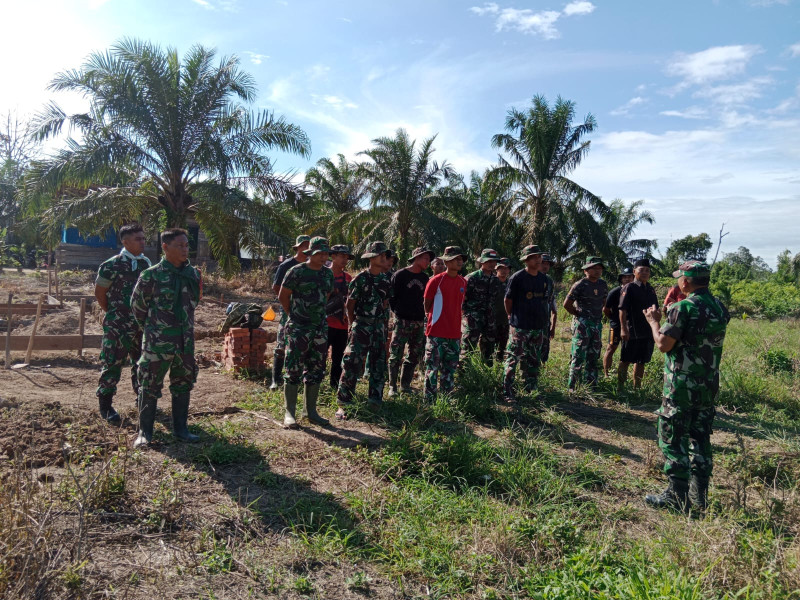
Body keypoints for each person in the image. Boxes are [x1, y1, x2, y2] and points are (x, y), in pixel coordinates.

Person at [643, 261, 729, 513]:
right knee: (700, 436)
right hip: (708, 383)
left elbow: (663, 344)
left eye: (680, 277)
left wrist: (653, 322)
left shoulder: (683, 307)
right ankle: (699, 495)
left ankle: (676, 496)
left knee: (673, 436)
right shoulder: (719, 307)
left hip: (681, 384)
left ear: (686, 281)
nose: (679, 281)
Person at [131, 228, 202, 448]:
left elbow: (194, 302)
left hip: (185, 343)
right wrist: (153, 329)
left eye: (187, 245)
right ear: (165, 247)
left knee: (183, 384)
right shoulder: (151, 275)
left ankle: (181, 430)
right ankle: (145, 432)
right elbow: (138, 307)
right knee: (149, 386)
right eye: (179, 245)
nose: (185, 249)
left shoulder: (193, 275)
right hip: (157, 343)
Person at [94, 224, 151, 423]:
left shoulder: (145, 264)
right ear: (125, 242)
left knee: (141, 363)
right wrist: (114, 313)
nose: (143, 242)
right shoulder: (111, 265)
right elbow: (100, 293)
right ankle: (106, 406)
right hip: (117, 325)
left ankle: (142, 400)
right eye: (138, 239)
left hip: (140, 324)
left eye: (143, 238)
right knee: (112, 363)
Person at [279, 237, 335, 429]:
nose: (324, 257)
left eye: (326, 254)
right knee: (293, 367)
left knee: (316, 368)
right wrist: (293, 315)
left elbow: (326, 296)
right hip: (298, 327)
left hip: (319, 328)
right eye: (320, 253)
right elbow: (283, 295)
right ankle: (289, 413)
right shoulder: (296, 271)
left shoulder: (327, 274)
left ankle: (310, 412)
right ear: (310, 253)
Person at [336, 242, 392, 419]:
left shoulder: (386, 280)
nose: (383, 258)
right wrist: (353, 325)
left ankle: (375, 401)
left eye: (384, 255)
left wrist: (384, 328)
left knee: (378, 363)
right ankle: (344, 403)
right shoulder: (360, 279)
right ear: (371, 258)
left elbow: (385, 304)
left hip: (379, 327)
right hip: (361, 325)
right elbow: (350, 305)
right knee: (352, 363)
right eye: (380, 255)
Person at [503, 245, 550, 403]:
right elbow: (507, 300)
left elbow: (544, 301)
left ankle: (531, 388)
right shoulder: (517, 277)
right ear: (526, 260)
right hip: (520, 326)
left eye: (539, 257)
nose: (538, 260)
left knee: (533, 360)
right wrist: (512, 316)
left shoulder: (544, 279)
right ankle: (507, 391)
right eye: (534, 257)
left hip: (537, 326)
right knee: (513, 358)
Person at [388, 247, 434, 396]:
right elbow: (392, 298)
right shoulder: (400, 275)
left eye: (429, 259)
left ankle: (405, 385)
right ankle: (392, 386)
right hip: (402, 321)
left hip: (419, 322)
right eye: (425, 259)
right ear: (416, 258)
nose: (428, 262)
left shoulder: (425, 278)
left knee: (414, 354)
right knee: (396, 354)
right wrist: (398, 314)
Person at [423, 246, 467, 400]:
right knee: (432, 369)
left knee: (449, 369)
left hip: (454, 334)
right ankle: (429, 401)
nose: (459, 262)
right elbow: (427, 304)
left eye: (461, 259)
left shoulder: (463, 282)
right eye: (456, 259)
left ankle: (446, 400)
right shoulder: (436, 280)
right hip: (436, 333)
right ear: (447, 262)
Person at [270, 235, 311, 390]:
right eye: (304, 245)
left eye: (309, 245)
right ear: (297, 247)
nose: (306, 248)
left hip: (306, 313)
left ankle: (298, 379)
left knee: (303, 345)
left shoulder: (312, 266)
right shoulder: (287, 265)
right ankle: (275, 379)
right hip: (288, 311)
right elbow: (277, 287)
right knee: (281, 344)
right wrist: (288, 307)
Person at [564, 257, 608, 389]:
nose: (597, 271)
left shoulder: (602, 284)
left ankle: (591, 385)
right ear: (586, 270)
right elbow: (567, 304)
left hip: (597, 324)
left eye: (599, 268)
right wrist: (578, 314)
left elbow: (604, 302)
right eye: (594, 268)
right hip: (582, 325)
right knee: (578, 354)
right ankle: (573, 387)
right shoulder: (580, 285)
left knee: (594, 355)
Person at [618, 258, 659, 391]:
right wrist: (623, 329)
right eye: (642, 270)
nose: (645, 273)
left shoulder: (650, 289)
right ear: (634, 272)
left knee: (641, 361)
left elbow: (655, 309)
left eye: (647, 270)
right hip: (632, 330)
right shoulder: (629, 287)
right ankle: (620, 388)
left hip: (647, 331)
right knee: (625, 360)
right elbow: (622, 310)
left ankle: (637, 389)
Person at [461, 248, 502, 364]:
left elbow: (495, 299)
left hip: (489, 318)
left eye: (494, 261)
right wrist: (465, 315)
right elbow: (462, 298)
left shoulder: (496, 280)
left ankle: (486, 371)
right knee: (468, 347)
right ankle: (462, 372)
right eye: (489, 261)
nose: (491, 264)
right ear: (482, 261)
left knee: (489, 347)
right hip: (472, 318)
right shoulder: (472, 277)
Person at [325, 245, 353, 391]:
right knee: (319, 357)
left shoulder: (348, 278)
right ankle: (313, 385)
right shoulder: (324, 274)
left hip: (342, 325)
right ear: (333, 256)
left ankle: (334, 387)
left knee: (338, 358)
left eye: (347, 257)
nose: (345, 260)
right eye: (342, 256)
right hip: (325, 323)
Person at [603, 267, 634, 377]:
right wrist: (614, 319)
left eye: (629, 277)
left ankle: (622, 376)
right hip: (616, 325)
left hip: (631, 326)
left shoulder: (635, 291)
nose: (627, 279)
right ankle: (606, 374)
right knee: (611, 348)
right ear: (621, 279)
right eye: (624, 277)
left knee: (628, 350)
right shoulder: (615, 292)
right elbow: (606, 309)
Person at [539, 254, 558, 364]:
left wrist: (553, 327)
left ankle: (542, 367)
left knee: (544, 349)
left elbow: (551, 302)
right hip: (531, 322)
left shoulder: (549, 281)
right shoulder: (530, 277)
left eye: (548, 264)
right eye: (543, 263)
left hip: (545, 322)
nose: (545, 266)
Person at [493, 258, 511, 363]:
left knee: (502, 346)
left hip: (505, 320)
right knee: (490, 346)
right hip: (492, 320)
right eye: (501, 268)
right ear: (496, 269)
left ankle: (499, 365)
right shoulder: (491, 281)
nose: (504, 271)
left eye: (506, 268)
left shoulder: (511, 284)